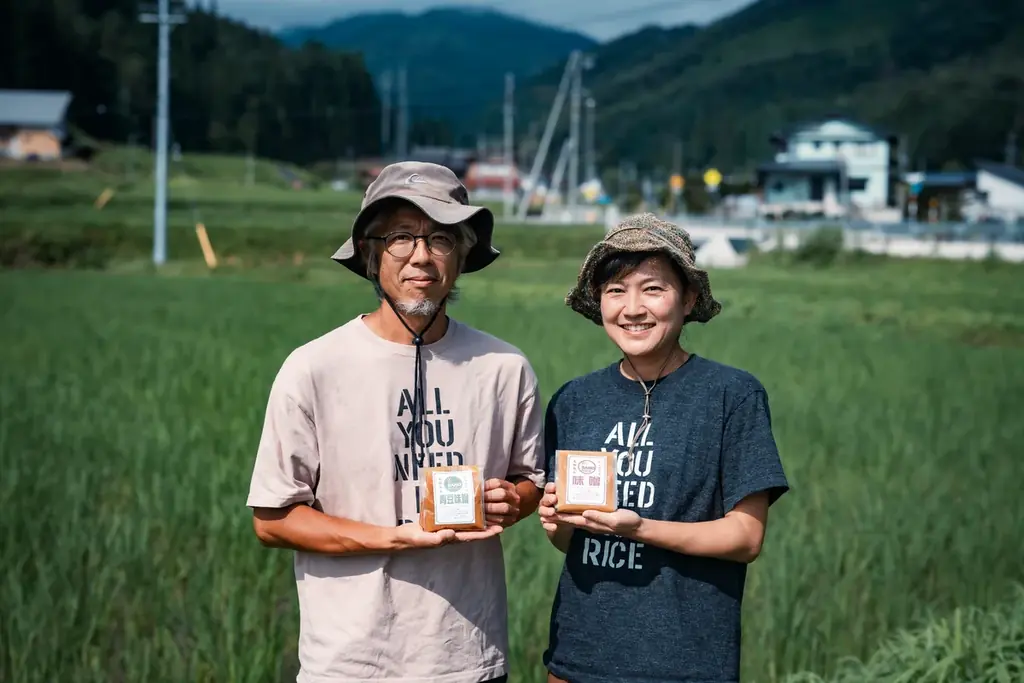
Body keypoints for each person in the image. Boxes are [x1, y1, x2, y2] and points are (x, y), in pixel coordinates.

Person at [246, 161, 546, 683]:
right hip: (350, 663)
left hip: (467, 659)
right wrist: (394, 538)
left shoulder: (504, 368)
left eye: (442, 238)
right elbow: (273, 519)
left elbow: (531, 484)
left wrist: (511, 500)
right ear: (370, 253)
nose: (421, 257)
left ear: (464, 252)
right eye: (402, 237)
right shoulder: (314, 367)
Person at [537, 213, 790, 683]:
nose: (632, 308)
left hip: (684, 664)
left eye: (652, 289)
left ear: (688, 298)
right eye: (615, 291)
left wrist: (639, 528)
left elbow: (745, 537)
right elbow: (571, 540)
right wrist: (556, 522)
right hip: (578, 657)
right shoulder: (574, 400)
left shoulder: (731, 396)